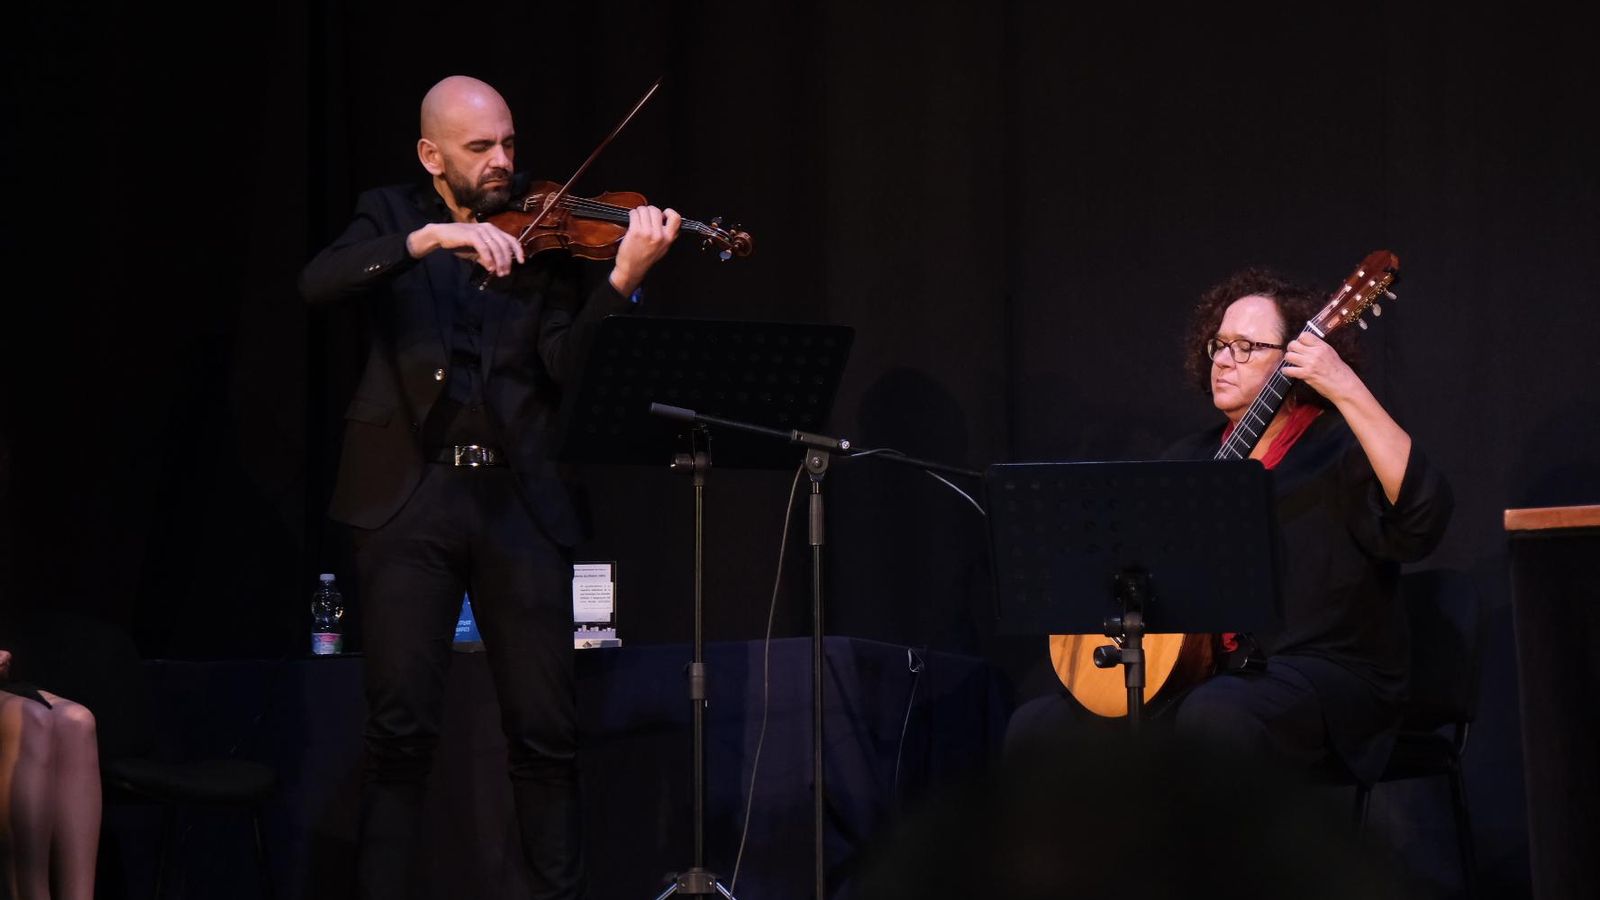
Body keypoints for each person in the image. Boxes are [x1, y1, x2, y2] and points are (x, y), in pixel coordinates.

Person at [299, 75, 680, 899]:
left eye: (508, 142)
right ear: (431, 155)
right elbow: (319, 283)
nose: (502, 160)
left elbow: (568, 368)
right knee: (399, 735)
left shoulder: (549, 229)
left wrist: (620, 282)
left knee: (546, 736)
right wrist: (428, 240)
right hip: (407, 501)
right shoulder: (390, 214)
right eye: (480, 148)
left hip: (521, 503)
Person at [1007, 266, 1453, 785]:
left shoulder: (1338, 447)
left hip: (1322, 670)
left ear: (1295, 357)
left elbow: (1422, 517)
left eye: (1246, 347)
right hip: (1203, 676)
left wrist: (1345, 387)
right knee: (1039, 727)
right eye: (1219, 345)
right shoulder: (1188, 459)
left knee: (1217, 716)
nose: (1223, 359)